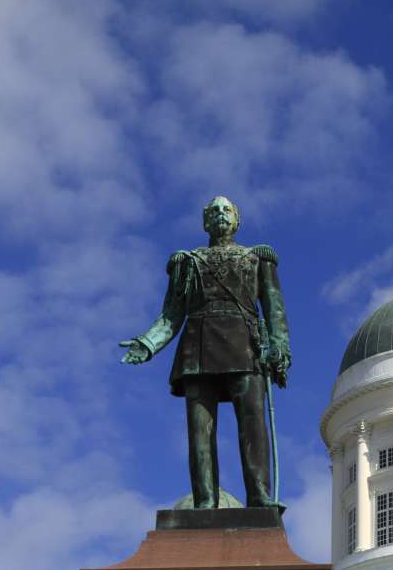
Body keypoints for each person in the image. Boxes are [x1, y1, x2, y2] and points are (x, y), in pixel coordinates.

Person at [119, 196, 290, 509]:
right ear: (205, 222)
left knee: (253, 424)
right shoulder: (188, 261)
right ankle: (205, 501)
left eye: (227, 210)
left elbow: (274, 308)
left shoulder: (258, 258)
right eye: (214, 211)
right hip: (198, 346)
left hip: (245, 345)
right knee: (200, 430)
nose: (221, 215)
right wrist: (148, 343)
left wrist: (278, 345)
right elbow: (172, 314)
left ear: (236, 220)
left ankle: (259, 496)